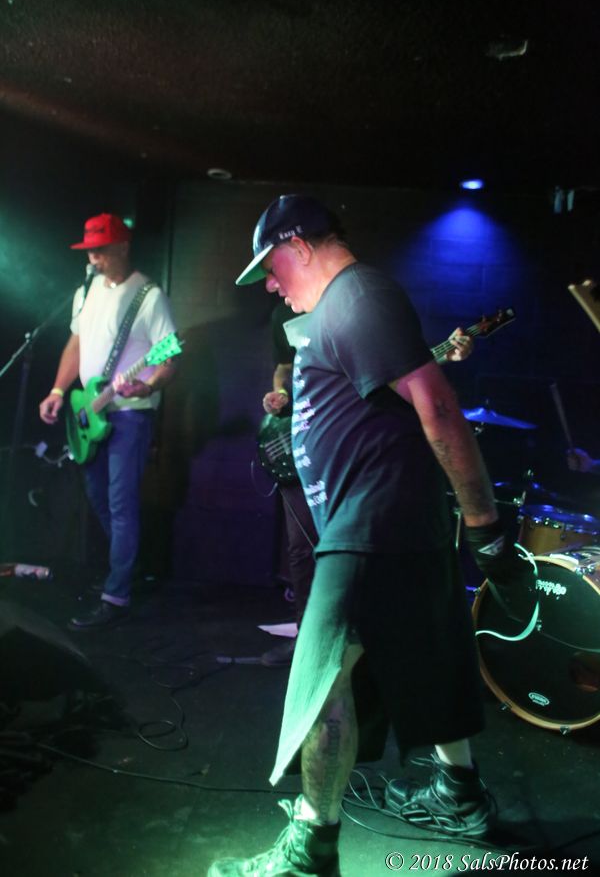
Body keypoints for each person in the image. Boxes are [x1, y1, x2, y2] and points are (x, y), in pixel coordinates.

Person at [208, 195, 532, 877]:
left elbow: (438, 405)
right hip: (394, 523)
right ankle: (461, 795)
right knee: (424, 660)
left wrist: (487, 528)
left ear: (298, 244)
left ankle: (311, 848)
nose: (269, 285)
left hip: (369, 526)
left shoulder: (357, 296)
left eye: (270, 268)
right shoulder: (344, 309)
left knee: (323, 682)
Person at [260, 300, 474, 667]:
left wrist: (443, 357)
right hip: (299, 441)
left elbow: (395, 371)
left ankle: (358, 645)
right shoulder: (282, 312)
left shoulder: (356, 304)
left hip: (347, 448)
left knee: (355, 546)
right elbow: (283, 367)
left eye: (275, 277)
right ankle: (307, 642)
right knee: (300, 548)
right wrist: (279, 393)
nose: (272, 287)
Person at [39, 213, 178, 629]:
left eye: (100, 250)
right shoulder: (86, 290)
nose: (93, 258)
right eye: (89, 251)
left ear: (122, 247)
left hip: (130, 415)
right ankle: (127, 568)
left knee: (120, 503)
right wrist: (58, 390)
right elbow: (76, 343)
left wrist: (146, 385)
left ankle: (116, 595)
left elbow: (169, 357)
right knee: (98, 496)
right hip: (90, 411)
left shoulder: (149, 296)